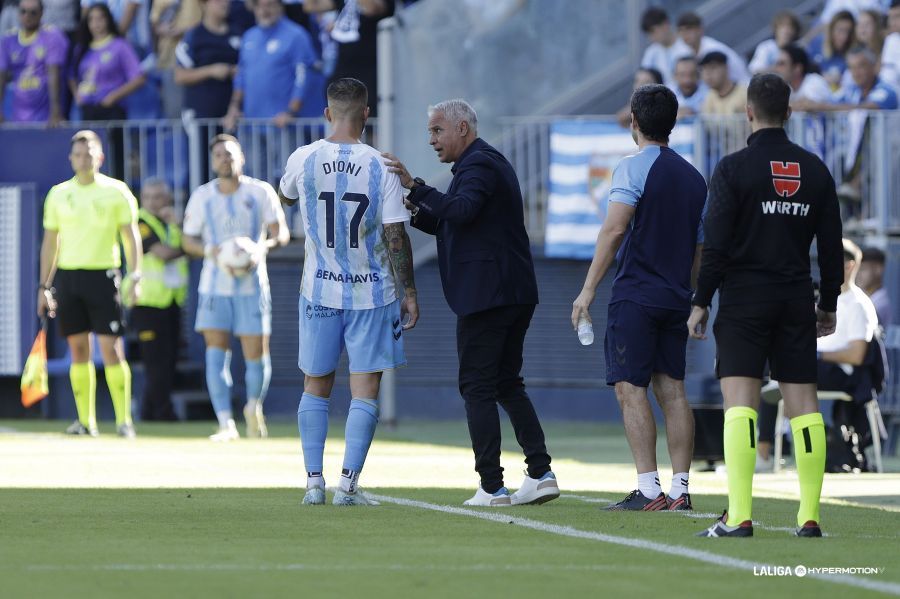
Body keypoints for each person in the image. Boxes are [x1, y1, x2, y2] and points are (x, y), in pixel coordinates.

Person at [383, 99, 560, 507]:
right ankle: (539, 472)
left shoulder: (479, 164)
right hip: (510, 292)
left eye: (436, 131)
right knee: (506, 383)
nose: (431, 140)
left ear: (462, 128)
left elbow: (460, 212)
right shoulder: (479, 164)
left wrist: (414, 186)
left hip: (490, 296)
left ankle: (492, 486)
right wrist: (413, 206)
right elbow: (456, 221)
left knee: (477, 386)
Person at [689, 73, 844, 538]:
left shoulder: (734, 169)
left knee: (740, 402)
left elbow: (714, 245)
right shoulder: (814, 169)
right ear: (790, 113)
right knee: (805, 406)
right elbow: (832, 245)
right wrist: (829, 302)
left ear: (748, 112)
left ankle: (739, 516)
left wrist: (701, 301)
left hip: (744, 299)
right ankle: (810, 516)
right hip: (796, 297)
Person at [278, 77, 418, 506]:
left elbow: (284, 196)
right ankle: (348, 487)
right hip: (371, 292)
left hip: (319, 289)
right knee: (365, 388)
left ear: (326, 113)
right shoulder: (383, 166)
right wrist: (408, 290)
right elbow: (396, 235)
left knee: (314, 385)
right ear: (366, 114)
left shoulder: (304, 158)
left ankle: (313, 483)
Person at [571, 85, 706, 512]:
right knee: (674, 392)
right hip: (676, 296)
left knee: (631, 389)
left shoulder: (632, 168)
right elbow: (701, 248)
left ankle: (649, 489)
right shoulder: (693, 176)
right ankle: (680, 489)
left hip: (636, 295)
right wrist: (696, 298)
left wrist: (588, 289)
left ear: (634, 121)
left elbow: (613, 231)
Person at [181, 134, 290, 440]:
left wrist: (261, 249)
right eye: (218, 155)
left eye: (229, 154)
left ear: (241, 157)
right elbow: (187, 239)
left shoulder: (261, 191)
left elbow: (280, 233)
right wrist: (212, 252)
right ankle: (225, 422)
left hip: (253, 287)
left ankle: (253, 408)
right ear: (212, 161)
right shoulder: (202, 196)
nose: (224, 159)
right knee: (216, 353)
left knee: (256, 353)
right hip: (214, 287)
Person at [37, 129, 143, 438]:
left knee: (112, 349)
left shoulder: (117, 191)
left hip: (104, 275)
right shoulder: (58, 193)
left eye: (90, 153)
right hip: (68, 278)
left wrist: (135, 276)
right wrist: (44, 286)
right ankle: (86, 422)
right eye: (78, 154)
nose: (84, 159)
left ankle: (124, 421)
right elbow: (49, 242)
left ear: (100, 157)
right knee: (78, 349)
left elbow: (130, 236)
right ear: (71, 158)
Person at [132, 178, 189, 422]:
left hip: (170, 301)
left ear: (168, 199)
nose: (153, 202)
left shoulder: (169, 224)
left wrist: (179, 227)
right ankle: (163, 412)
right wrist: (192, 248)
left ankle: (148, 412)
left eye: (159, 197)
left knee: (168, 361)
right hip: (147, 302)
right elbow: (164, 254)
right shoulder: (140, 222)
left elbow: (180, 243)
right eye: (148, 197)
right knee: (156, 362)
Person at [222, 0, 322, 130]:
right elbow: (241, 76)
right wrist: (233, 108)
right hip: (251, 125)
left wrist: (291, 111)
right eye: (259, 6)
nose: (264, 10)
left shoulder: (296, 35)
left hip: (283, 125)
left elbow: (304, 77)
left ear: (280, 7)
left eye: (269, 5)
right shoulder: (249, 36)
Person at [303, 0, 394, 117]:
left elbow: (373, 8)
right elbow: (310, 6)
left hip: (370, 70)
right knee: (340, 122)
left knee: (369, 122)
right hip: (343, 69)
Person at [69, 3, 145, 120]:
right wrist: (77, 95)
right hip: (86, 109)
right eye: (92, 19)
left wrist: (113, 97)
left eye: (100, 18)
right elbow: (71, 75)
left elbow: (139, 78)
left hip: (111, 110)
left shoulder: (120, 46)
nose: (96, 23)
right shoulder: (82, 48)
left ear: (108, 19)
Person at [0, 0, 68, 125]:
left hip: (46, 118)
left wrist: (56, 111)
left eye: (33, 12)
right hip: (18, 116)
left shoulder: (53, 36)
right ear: (18, 13)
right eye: (23, 12)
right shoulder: (8, 39)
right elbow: (1, 76)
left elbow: (54, 74)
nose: (27, 16)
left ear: (42, 13)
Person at [174, 0, 240, 120]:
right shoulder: (193, 36)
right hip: (200, 114)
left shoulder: (237, 34)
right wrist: (211, 71)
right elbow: (180, 76)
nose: (224, 3)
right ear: (204, 4)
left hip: (230, 115)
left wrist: (236, 71)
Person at [795, 47, 899, 111]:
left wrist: (821, 107)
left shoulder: (886, 91)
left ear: (874, 66)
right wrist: (807, 104)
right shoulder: (851, 90)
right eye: (851, 67)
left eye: (861, 66)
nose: (855, 72)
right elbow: (831, 101)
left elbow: (866, 108)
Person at [673, 12, 750, 84]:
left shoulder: (713, 49)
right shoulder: (685, 50)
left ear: (700, 30)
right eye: (681, 30)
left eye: (688, 29)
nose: (684, 34)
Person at [807, 10, 856, 89]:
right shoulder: (816, 44)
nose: (844, 37)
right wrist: (821, 76)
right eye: (840, 30)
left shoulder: (853, 55)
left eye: (849, 32)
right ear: (831, 30)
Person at [639, 7, 681, 87]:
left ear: (665, 24)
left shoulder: (685, 47)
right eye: (648, 34)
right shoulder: (651, 52)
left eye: (653, 31)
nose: (651, 37)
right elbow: (643, 80)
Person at [858, 246, 892, 326]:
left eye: (863, 269)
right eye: (857, 269)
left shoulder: (881, 304)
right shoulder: (863, 298)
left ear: (878, 269)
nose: (858, 274)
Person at [880, 1, 900, 91]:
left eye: (897, 16)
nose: (892, 22)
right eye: (890, 17)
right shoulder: (892, 40)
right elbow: (888, 79)